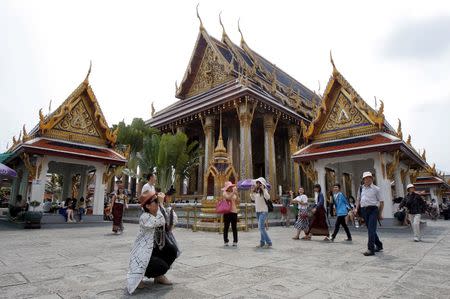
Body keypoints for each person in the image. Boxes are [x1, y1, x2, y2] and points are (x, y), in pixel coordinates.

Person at [126, 191, 175, 295]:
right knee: (162, 266)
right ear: (147, 206)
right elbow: (161, 221)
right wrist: (161, 204)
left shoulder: (158, 212)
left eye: (158, 202)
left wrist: (166, 203)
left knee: (172, 250)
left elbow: (172, 220)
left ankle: (158, 276)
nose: (157, 203)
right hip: (144, 255)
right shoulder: (144, 217)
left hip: (154, 250)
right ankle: (145, 276)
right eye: (155, 202)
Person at [355, 171, 384, 256]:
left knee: (371, 229)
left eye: (369, 177)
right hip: (364, 210)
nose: (368, 179)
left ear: (372, 178)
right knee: (371, 229)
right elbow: (358, 199)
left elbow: (381, 202)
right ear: (363, 180)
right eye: (366, 178)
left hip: (373, 210)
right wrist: (356, 209)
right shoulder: (361, 188)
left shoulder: (376, 189)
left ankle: (371, 249)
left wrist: (380, 213)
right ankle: (379, 245)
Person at [250, 177, 272, 248]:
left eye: (259, 183)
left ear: (262, 184)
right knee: (261, 227)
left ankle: (269, 242)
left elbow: (268, 197)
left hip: (264, 211)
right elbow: (253, 199)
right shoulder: (257, 191)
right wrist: (251, 192)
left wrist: (263, 189)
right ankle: (262, 242)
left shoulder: (264, 190)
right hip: (258, 211)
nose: (257, 184)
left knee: (260, 227)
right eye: (257, 183)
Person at [222, 181, 239, 247]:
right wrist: (233, 192)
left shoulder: (233, 193)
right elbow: (228, 197)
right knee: (226, 227)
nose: (231, 187)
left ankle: (235, 241)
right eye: (230, 186)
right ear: (227, 187)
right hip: (227, 212)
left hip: (234, 212)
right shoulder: (224, 193)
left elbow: (237, 201)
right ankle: (226, 240)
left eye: (232, 186)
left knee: (234, 227)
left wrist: (237, 194)